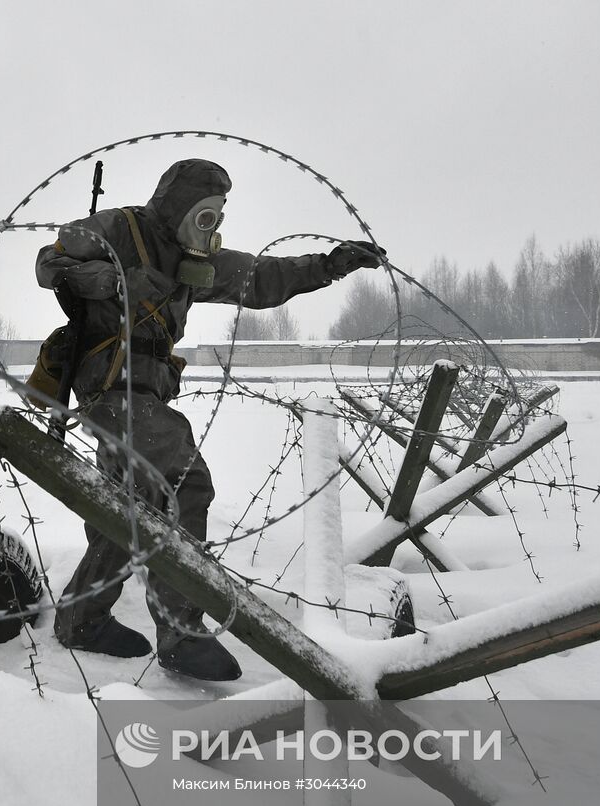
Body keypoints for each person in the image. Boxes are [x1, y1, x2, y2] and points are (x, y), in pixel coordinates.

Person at [35, 158, 385, 681]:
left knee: (126, 504)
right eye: (205, 210)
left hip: (145, 391)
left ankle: (82, 618)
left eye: (219, 213)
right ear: (178, 202)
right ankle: (180, 629)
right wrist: (102, 279)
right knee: (182, 481)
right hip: (107, 383)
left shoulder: (195, 259)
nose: (212, 223)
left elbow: (268, 279)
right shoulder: (116, 229)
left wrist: (332, 264)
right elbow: (49, 265)